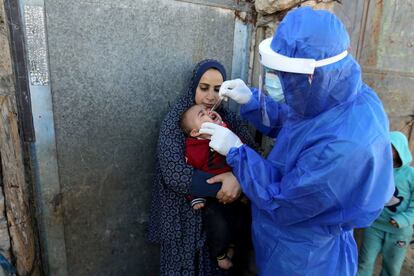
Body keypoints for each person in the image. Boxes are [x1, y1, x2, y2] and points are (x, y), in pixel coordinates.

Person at [200, 7, 394, 275]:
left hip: (307, 257)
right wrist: (252, 101)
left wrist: (238, 153)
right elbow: (297, 122)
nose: (278, 82)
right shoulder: (331, 96)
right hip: (284, 243)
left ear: (313, 75)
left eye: (285, 76)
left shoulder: (345, 146)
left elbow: (284, 201)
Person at [148, 59, 256, 275]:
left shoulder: (227, 119)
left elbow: (252, 153)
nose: (211, 96)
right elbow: (175, 174)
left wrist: (238, 180)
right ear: (193, 86)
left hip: (226, 216)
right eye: (204, 88)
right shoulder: (178, 121)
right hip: (185, 221)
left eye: (218, 89)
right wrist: (226, 185)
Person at [180, 104, 250, 270]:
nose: (209, 113)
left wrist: (220, 123)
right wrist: (195, 196)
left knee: (243, 222)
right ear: (196, 132)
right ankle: (219, 254)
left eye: (208, 110)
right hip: (215, 198)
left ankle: (234, 247)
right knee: (217, 222)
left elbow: (241, 149)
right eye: (201, 114)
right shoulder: (193, 148)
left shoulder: (225, 132)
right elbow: (190, 175)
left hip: (238, 191)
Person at [358, 131, 414, 276]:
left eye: (391, 146)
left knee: (392, 267)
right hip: (374, 226)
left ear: (400, 148)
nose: (386, 149)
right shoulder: (378, 169)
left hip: (399, 231)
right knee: (364, 262)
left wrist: (402, 220)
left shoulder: (410, 174)